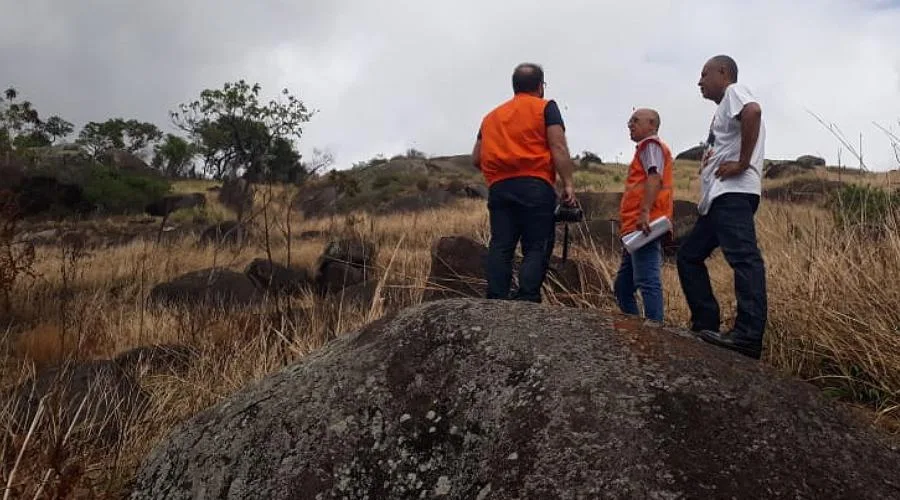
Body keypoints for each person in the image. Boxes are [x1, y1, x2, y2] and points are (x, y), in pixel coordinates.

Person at [677, 54, 768, 359]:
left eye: (704, 74)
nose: (699, 81)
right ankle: (705, 324)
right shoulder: (722, 111)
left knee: (744, 259)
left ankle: (748, 335)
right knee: (689, 256)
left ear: (723, 72)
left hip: (733, 194)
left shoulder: (735, 92)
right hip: (717, 199)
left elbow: (753, 112)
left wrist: (742, 163)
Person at [472, 62, 577, 302]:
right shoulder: (546, 107)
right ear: (540, 86)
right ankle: (527, 297)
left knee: (501, 244)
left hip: (499, 188)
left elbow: (476, 157)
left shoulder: (491, 117)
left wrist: (498, 168)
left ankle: (496, 297)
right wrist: (568, 184)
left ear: (514, 86)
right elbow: (558, 146)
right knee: (537, 244)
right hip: (535, 184)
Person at [614, 108, 674, 323]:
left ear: (652, 125)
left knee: (647, 280)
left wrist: (645, 212)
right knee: (623, 287)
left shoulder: (650, 145)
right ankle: (637, 328)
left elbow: (654, 178)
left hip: (644, 226)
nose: (630, 124)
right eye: (630, 120)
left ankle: (654, 331)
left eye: (635, 120)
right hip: (635, 229)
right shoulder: (645, 149)